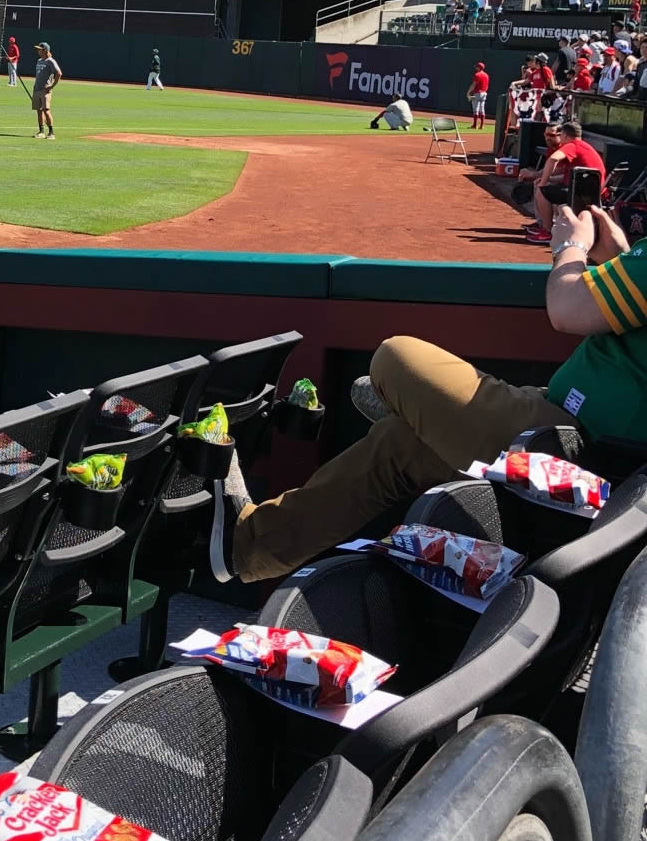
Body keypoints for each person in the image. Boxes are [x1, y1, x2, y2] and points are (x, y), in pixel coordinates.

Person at [208, 201, 646, 584]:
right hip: (583, 444)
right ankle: (249, 548)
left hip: (573, 452)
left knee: (395, 359)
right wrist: (624, 259)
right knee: (398, 446)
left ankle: (422, 411)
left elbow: (567, 310)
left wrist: (569, 247)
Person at [525, 121, 607, 244]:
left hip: (584, 193)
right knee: (548, 189)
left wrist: (543, 182)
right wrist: (547, 180)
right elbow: (567, 175)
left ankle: (547, 231)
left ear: (564, 135)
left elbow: (553, 159)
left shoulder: (573, 145)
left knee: (542, 192)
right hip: (589, 191)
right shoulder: (584, 146)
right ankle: (547, 227)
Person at [31, 41, 61, 139]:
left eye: (40, 49)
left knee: (46, 110)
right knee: (39, 111)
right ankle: (41, 132)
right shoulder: (39, 61)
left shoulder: (50, 61)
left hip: (45, 90)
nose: (38, 51)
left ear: (45, 50)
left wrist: (51, 86)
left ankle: (51, 133)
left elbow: (59, 73)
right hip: (37, 89)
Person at [466, 62, 489, 130]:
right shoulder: (486, 75)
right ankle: (481, 126)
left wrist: (468, 92)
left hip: (478, 93)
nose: (476, 68)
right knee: (482, 109)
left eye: (477, 67)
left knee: (475, 109)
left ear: (479, 67)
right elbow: (487, 86)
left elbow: (473, 84)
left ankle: (475, 125)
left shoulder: (477, 74)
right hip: (484, 93)